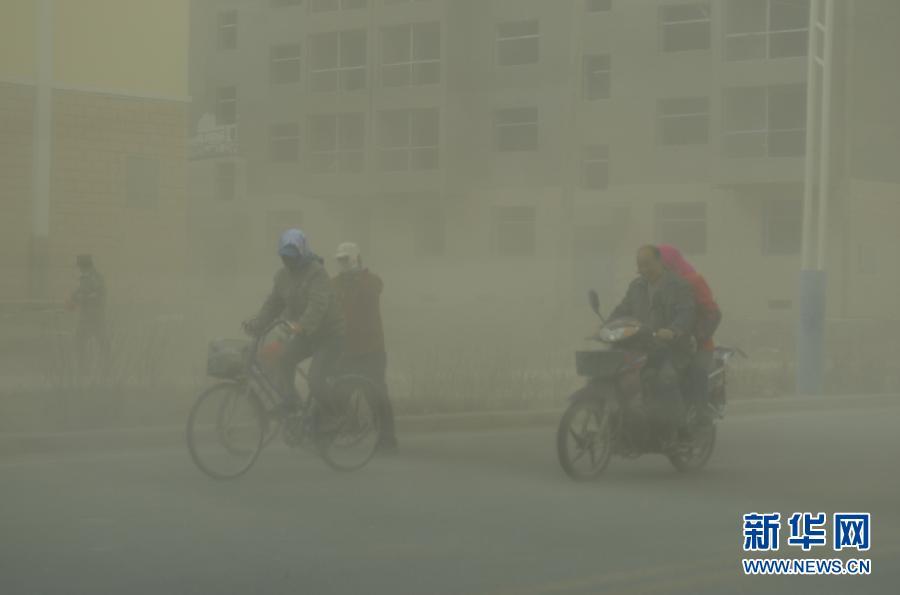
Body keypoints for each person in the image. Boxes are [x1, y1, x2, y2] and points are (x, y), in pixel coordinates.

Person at [244, 229, 344, 418]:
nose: (288, 260)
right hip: (306, 334)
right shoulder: (282, 277)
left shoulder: (316, 272)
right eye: (284, 256)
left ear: (302, 253)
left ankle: (335, 416)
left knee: (315, 381)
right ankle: (293, 404)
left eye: (292, 256)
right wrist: (257, 323)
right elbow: (273, 304)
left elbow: (318, 305)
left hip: (329, 335)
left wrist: (302, 324)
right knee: (284, 360)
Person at [609, 245, 697, 449]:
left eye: (647, 264)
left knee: (665, 378)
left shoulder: (679, 285)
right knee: (615, 374)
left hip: (672, 349)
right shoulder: (636, 286)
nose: (643, 269)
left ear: (660, 261)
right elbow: (622, 309)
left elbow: (686, 314)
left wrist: (673, 330)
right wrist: (607, 326)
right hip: (641, 347)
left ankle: (683, 431)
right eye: (640, 265)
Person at [332, 242, 398, 453]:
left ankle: (387, 440)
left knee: (377, 395)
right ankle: (337, 431)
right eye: (340, 260)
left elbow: (375, 288)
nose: (342, 264)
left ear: (355, 260)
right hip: (347, 351)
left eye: (346, 260)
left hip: (371, 351)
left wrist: (355, 278)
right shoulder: (335, 284)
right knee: (339, 393)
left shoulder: (370, 281)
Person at [657, 245, 722, 412]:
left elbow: (713, 313)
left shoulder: (693, 280)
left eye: (662, 265)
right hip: (668, 343)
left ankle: (701, 414)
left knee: (696, 371)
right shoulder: (655, 284)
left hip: (698, 345)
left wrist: (698, 337)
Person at [68, 254, 110, 371]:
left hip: (94, 317)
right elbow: (80, 292)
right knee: (81, 342)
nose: (79, 269)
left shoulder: (94, 278)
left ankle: (104, 367)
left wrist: (80, 299)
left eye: (80, 266)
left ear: (84, 266)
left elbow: (97, 296)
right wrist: (72, 299)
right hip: (87, 317)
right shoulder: (86, 278)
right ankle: (84, 368)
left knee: (101, 343)